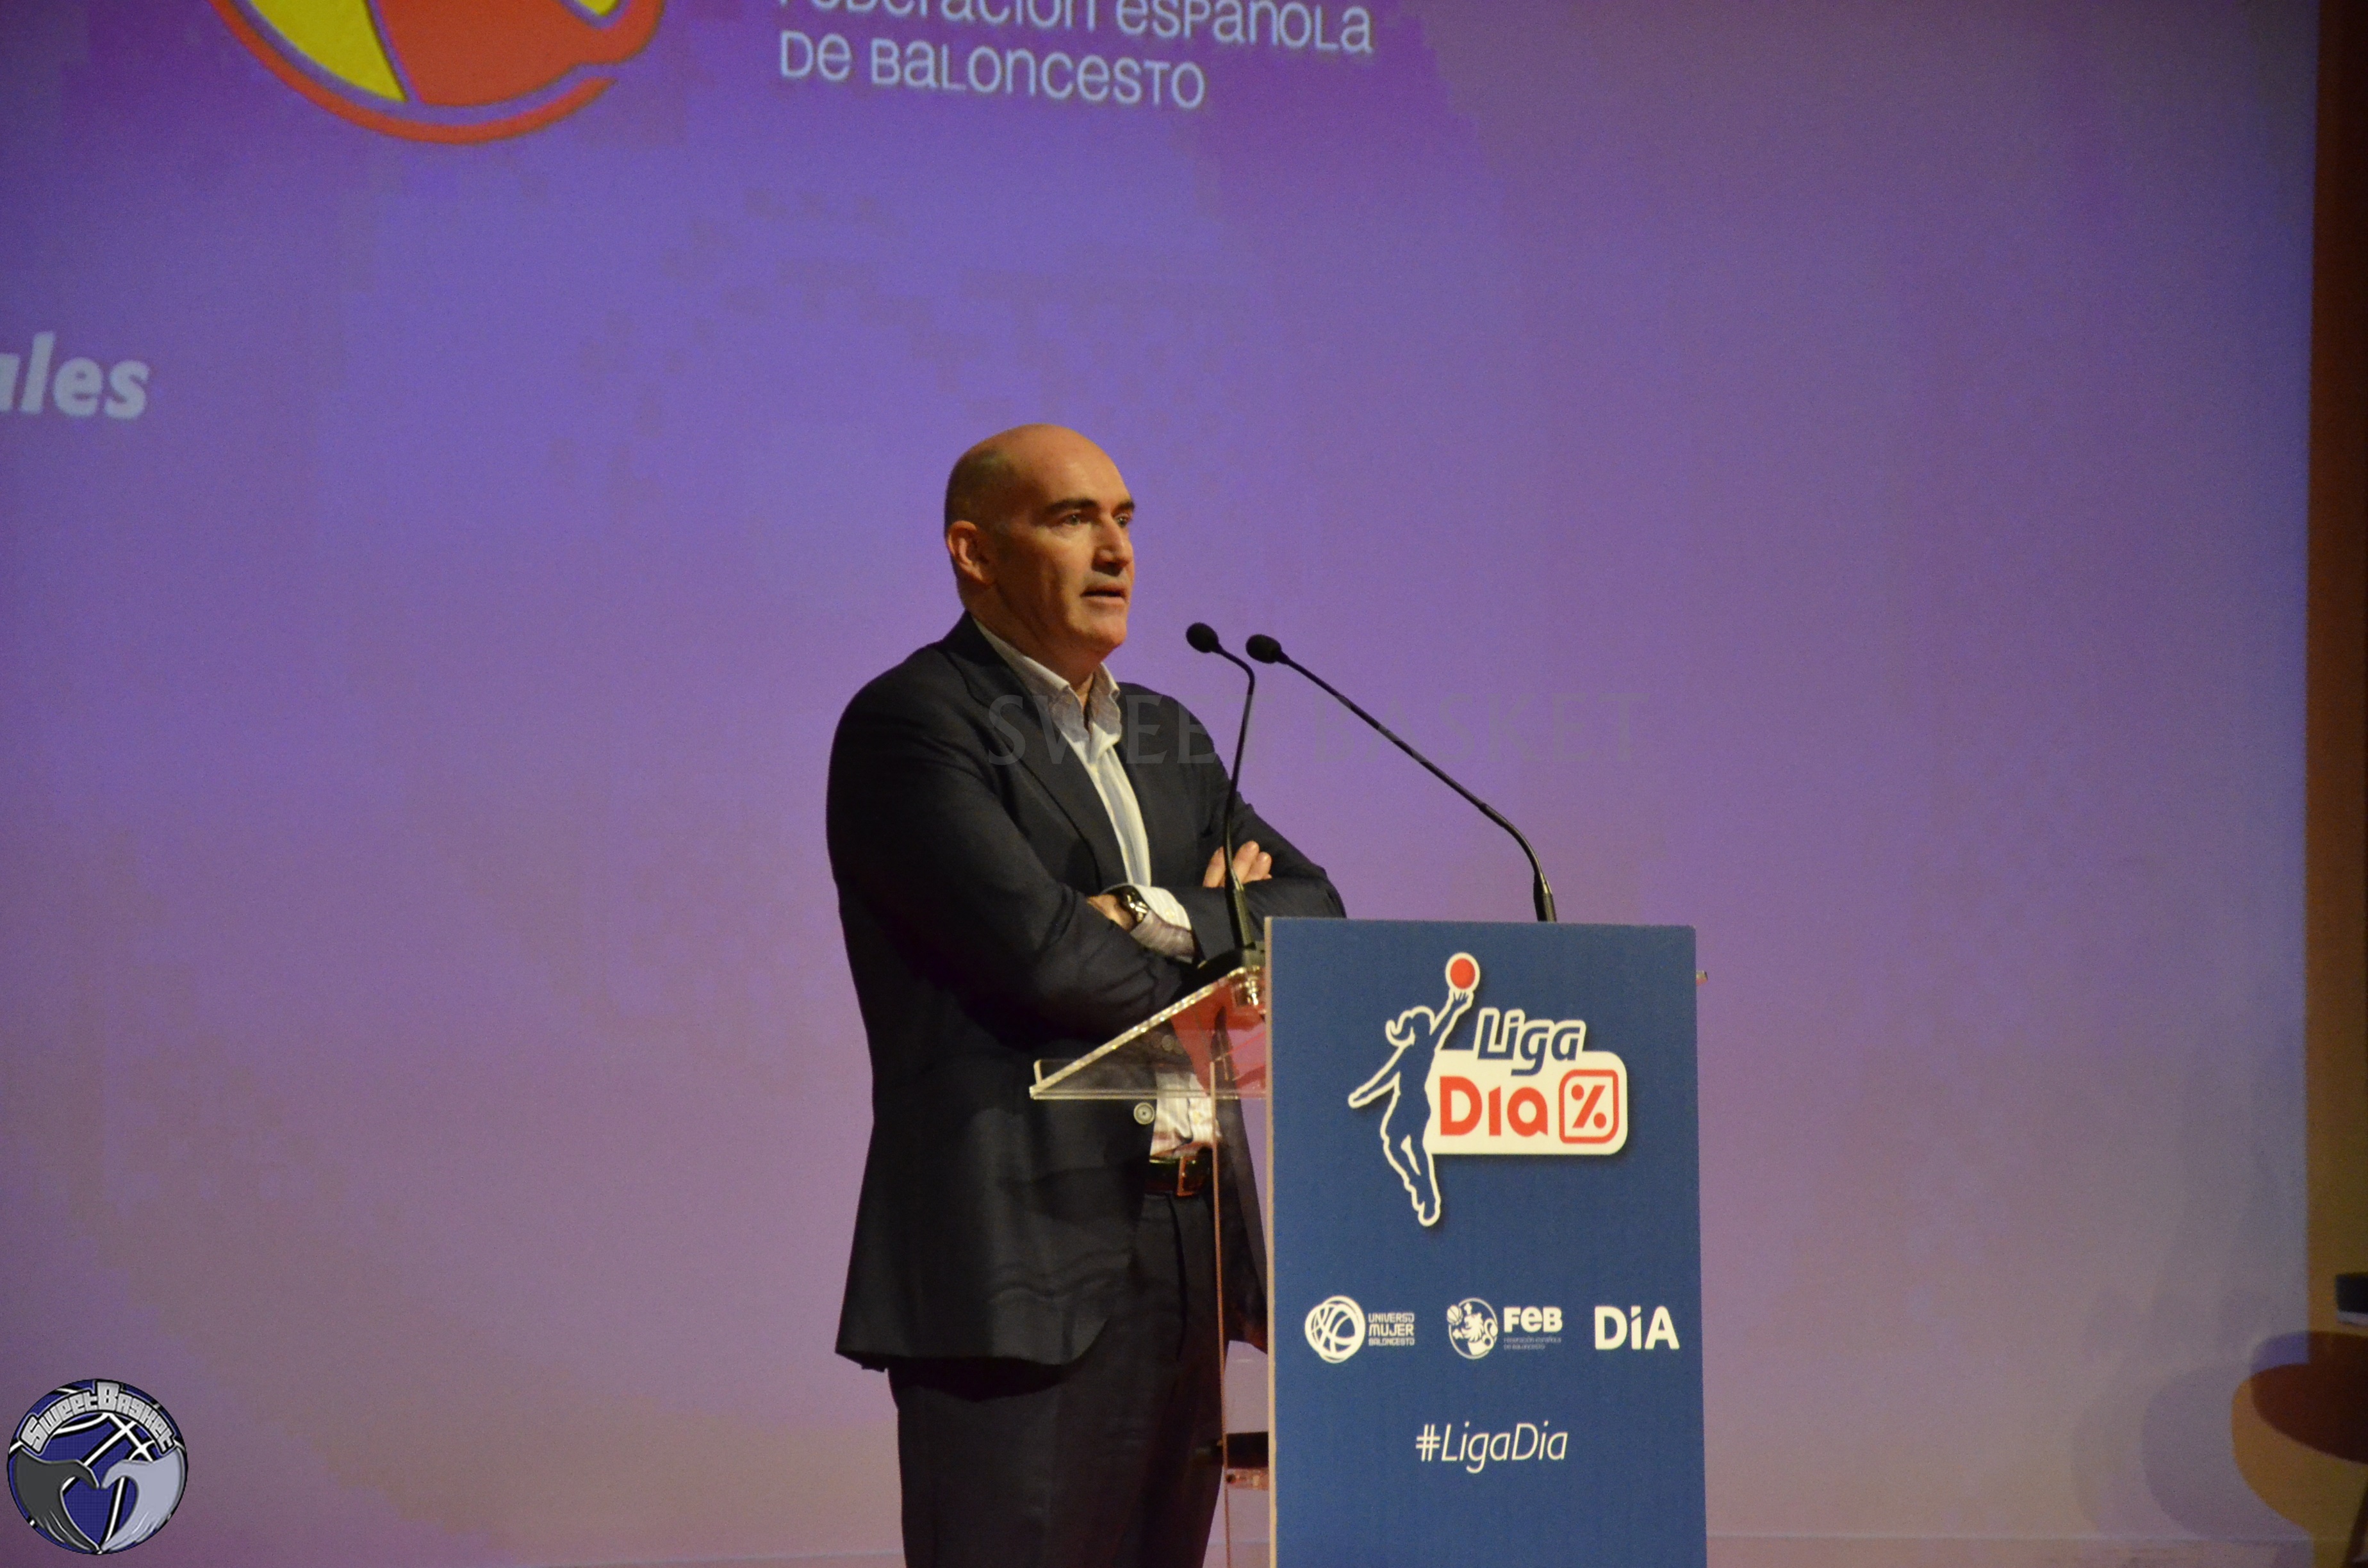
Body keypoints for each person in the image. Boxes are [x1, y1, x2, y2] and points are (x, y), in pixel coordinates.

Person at [828, 425, 1343, 1568]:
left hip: (1188, 1248)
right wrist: (1216, 931)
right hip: (1018, 1261)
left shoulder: (1166, 734)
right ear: (975, 552)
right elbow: (1047, 957)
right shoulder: (915, 724)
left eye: (1124, 520)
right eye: (1072, 520)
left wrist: (1148, 912)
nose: (1116, 550)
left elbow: (1316, 913)